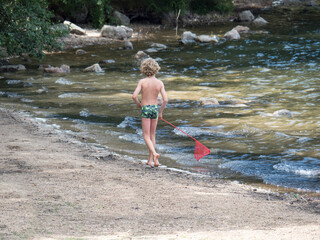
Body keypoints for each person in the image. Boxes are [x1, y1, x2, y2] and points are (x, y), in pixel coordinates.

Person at [132, 58, 168, 167]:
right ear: (156, 69)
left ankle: (154, 154)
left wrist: (139, 104)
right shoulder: (159, 83)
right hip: (154, 108)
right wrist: (160, 112)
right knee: (152, 135)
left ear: (144, 69)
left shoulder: (142, 82)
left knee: (146, 136)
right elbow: (165, 100)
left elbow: (134, 96)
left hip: (146, 108)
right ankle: (152, 161)